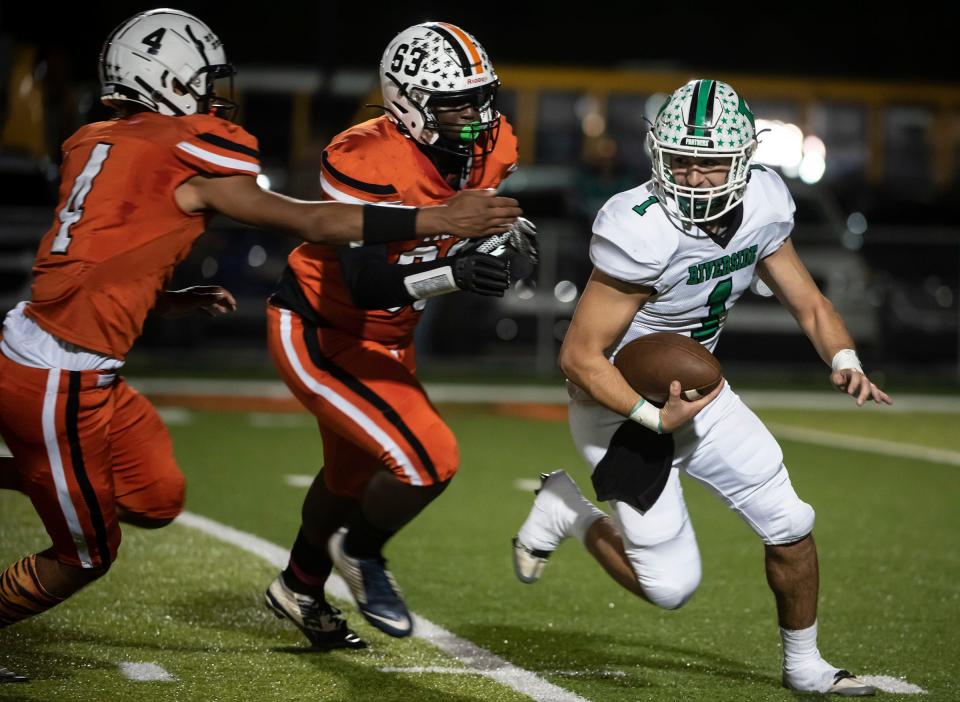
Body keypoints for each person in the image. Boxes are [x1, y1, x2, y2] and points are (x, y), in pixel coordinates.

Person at [0, 8, 520, 680]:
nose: (215, 97)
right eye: (204, 83)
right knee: (88, 553)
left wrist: (163, 298)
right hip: (58, 375)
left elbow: (96, 252)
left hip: (68, 360)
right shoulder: (189, 150)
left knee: (156, 499)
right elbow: (308, 222)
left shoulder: (98, 141)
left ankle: (298, 584)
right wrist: (440, 222)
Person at [511, 79, 890, 696]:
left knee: (790, 522)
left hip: (700, 394)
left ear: (743, 159)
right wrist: (650, 416)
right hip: (617, 405)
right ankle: (567, 511)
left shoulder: (765, 202)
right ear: (658, 154)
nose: (692, 176)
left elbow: (810, 303)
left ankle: (804, 665)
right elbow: (579, 357)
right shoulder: (640, 225)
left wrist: (844, 356)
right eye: (680, 159)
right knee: (670, 587)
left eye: (709, 162)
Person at [264, 21, 536, 649]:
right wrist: (453, 271)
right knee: (427, 458)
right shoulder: (365, 155)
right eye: (456, 103)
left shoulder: (493, 149)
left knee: (348, 479)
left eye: (481, 97)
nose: (477, 115)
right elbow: (364, 281)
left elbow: (469, 226)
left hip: (391, 335)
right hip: (323, 327)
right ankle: (361, 553)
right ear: (408, 103)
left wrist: (502, 243)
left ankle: (299, 589)